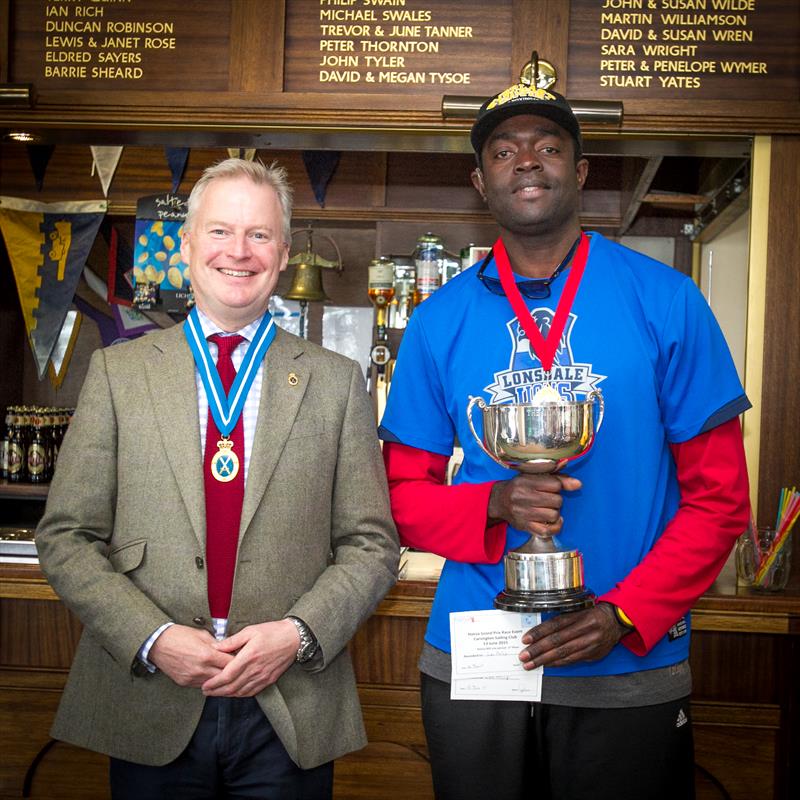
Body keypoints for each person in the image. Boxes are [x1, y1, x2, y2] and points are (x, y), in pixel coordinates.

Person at [379, 83, 751, 800]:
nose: (528, 161)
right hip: (480, 655)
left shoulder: (667, 300)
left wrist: (624, 613)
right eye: (504, 150)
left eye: (549, 147)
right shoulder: (438, 321)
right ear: (480, 181)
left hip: (626, 663)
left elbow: (720, 501)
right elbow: (400, 498)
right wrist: (493, 503)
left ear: (579, 174)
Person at [36, 158, 399, 799]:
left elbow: (372, 544)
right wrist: (153, 638)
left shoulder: (338, 381)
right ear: (187, 244)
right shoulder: (120, 373)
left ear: (283, 253)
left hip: (289, 702)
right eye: (220, 232)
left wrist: (297, 634)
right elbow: (67, 536)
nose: (239, 251)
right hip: (152, 693)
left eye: (259, 235)